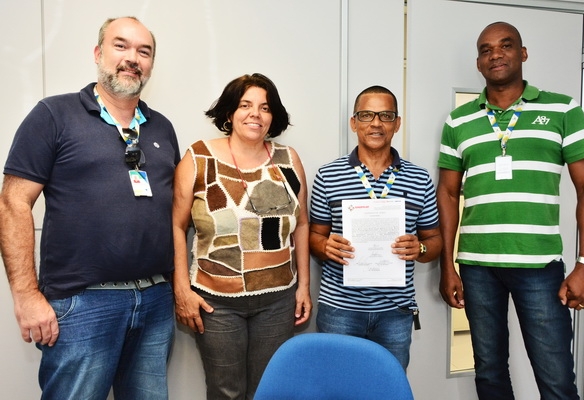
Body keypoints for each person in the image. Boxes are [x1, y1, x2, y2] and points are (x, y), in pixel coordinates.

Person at [0, 17, 180, 399]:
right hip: (83, 305)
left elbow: (175, 216)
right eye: (121, 45)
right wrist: (26, 295)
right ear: (98, 53)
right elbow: (13, 202)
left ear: (151, 64)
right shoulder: (53, 115)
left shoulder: (162, 128)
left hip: (155, 301)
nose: (133, 58)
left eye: (144, 51)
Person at [437, 21, 584, 400]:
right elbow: (447, 193)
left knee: (556, 380)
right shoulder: (458, 121)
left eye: (506, 45)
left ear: (523, 53)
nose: (495, 54)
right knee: (489, 373)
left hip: (539, 265)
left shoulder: (562, 109)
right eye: (486, 50)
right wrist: (448, 266)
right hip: (477, 266)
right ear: (478, 63)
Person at [172, 73, 312, 399]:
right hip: (216, 304)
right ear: (230, 112)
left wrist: (304, 286)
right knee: (226, 392)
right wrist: (182, 290)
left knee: (269, 392)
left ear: (273, 116)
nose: (255, 114)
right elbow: (176, 226)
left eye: (265, 107)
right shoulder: (198, 158)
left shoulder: (288, 160)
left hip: (278, 301)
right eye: (245, 105)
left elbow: (302, 224)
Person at [309, 85, 442, 370]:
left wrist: (419, 248)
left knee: (388, 387)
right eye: (367, 115)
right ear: (354, 122)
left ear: (397, 123)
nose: (376, 123)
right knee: (337, 387)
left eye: (386, 115)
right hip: (340, 309)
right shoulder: (328, 175)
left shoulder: (419, 178)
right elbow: (314, 235)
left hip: (396, 312)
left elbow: (434, 241)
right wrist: (325, 246)